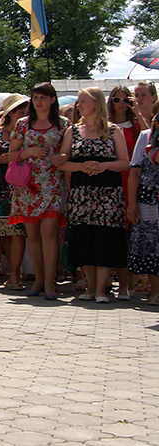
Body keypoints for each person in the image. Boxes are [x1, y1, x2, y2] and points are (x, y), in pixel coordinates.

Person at [58, 87, 130, 303]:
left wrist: (104, 165)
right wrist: (82, 167)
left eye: (83, 101)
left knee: (105, 239)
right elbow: (64, 161)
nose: (79, 105)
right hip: (82, 193)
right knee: (83, 237)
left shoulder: (113, 130)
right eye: (78, 101)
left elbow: (124, 162)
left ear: (96, 104)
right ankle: (89, 286)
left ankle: (101, 289)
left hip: (108, 194)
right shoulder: (73, 131)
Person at [7, 82, 69, 300]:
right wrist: (27, 152)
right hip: (28, 187)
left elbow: (69, 153)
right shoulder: (22, 124)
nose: (38, 101)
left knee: (50, 233)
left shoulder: (64, 125)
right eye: (35, 97)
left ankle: (51, 281)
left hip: (53, 184)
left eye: (43, 97)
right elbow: (11, 155)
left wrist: (62, 157)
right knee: (32, 236)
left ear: (52, 100)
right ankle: (39, 278)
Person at [0, 94, 29, 290]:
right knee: (6, 233)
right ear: (10, 114)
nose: (25, 115)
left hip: (21, 189)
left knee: (19, 233)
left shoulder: (28, 133)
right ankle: (13, 273)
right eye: (21, 112)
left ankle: (15, 275)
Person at [108, 85, 139, 300]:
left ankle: (127, 285)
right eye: (116, 100)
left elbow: (148, 139)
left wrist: (136, 112)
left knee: (130, 236)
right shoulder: (106, 127)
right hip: (111, 182)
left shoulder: (137, 125)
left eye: (125, 99)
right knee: (114, 236)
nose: (121, 104)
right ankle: (108, 281)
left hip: (133, 182)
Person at [127, 110, 159, 305]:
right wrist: (131, 204)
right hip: (149, 199)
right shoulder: (147, 136)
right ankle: (155, 292)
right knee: (152, 245)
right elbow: (135, 171)